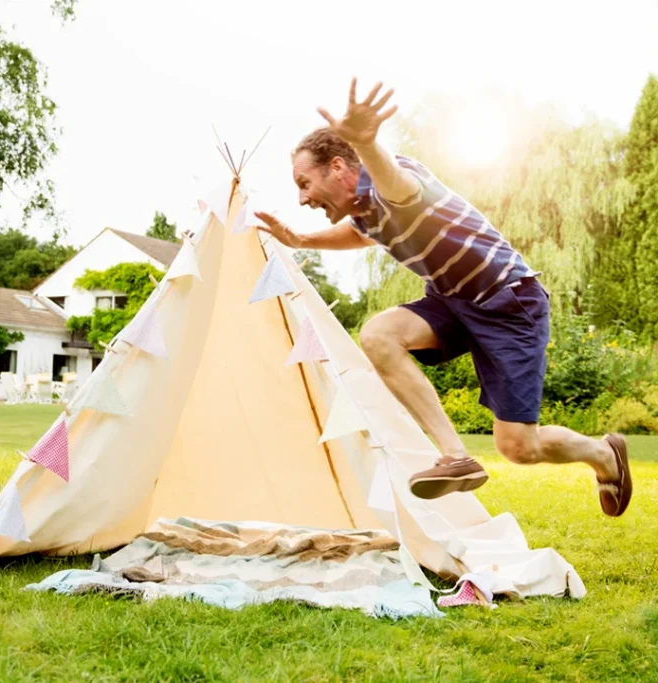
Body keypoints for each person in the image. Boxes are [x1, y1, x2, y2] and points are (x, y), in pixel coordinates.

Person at [256, 79, 631, 516]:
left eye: (304, 183)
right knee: (378, 335)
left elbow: (400, 190)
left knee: (519, 447)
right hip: (452, 300)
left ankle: (604, 454)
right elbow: (359, 235)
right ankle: (455, 456)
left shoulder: (398, 179)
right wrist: (300, 240)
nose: (302, 198)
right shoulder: (364, 212)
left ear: (338, 166)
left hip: (508, 302)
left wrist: (368, 143)